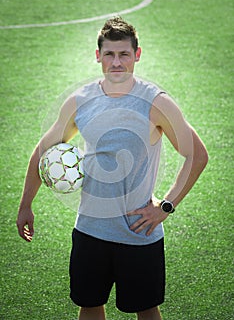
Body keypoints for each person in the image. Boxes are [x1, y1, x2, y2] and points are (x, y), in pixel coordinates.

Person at [17, 17, 208, 320]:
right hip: (90, 230)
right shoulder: (80, 101)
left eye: (124, 54)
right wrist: (26, 204)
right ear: (98, 56)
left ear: (137, 55)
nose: (116, 62)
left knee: (146, 310)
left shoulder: (156, 102)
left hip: (139, 233)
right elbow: (43, 151)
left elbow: (197, 156)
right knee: (89, 305)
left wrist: (167, 206)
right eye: (109, 54)